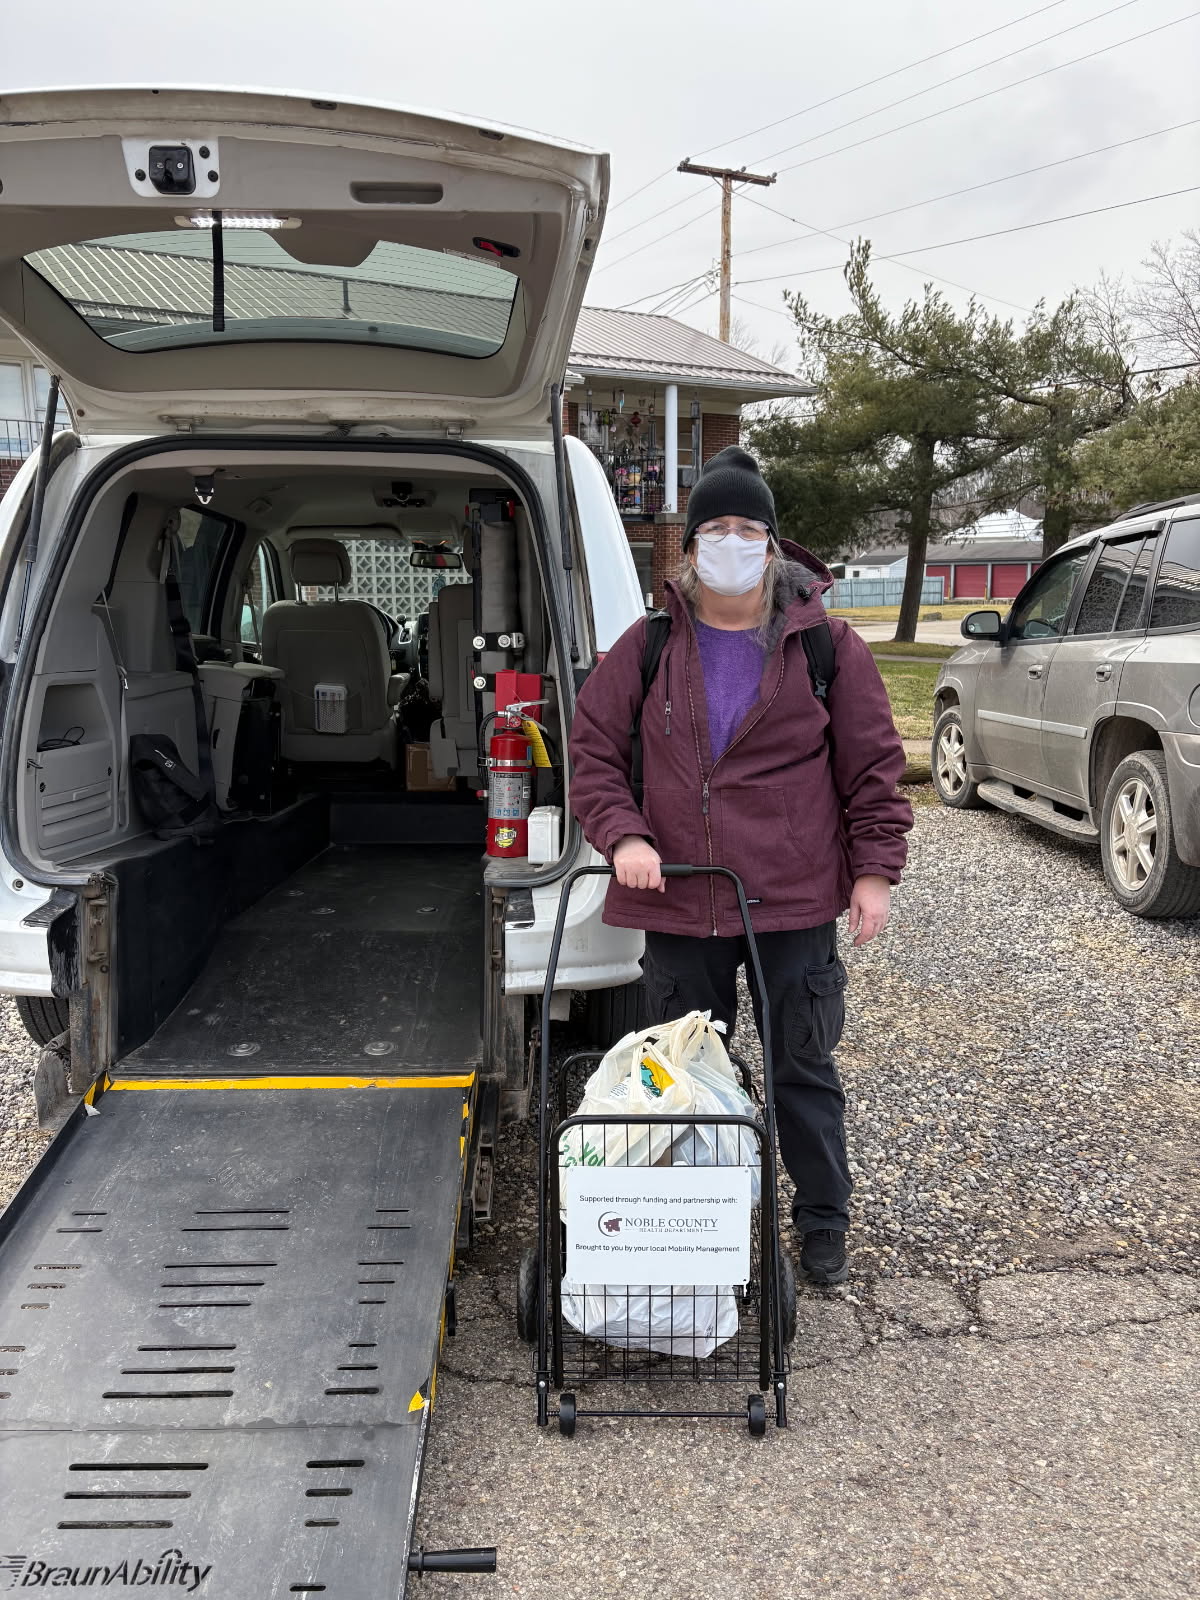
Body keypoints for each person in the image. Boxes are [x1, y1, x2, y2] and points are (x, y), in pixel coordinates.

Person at [568, 445, 913, 1285]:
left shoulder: (827, 647)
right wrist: (625, 838)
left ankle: (822, 1219)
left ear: (772, 543)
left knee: (803, 1065)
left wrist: (873, 873)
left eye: (746, 528)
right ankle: (699, 1229)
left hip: (791, 904)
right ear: (687, 549)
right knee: (682, 1078)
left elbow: (872, 767)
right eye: (714, 529)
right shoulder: (646, 644)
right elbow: (593, 754)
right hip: (681, 901)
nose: (730, 542)